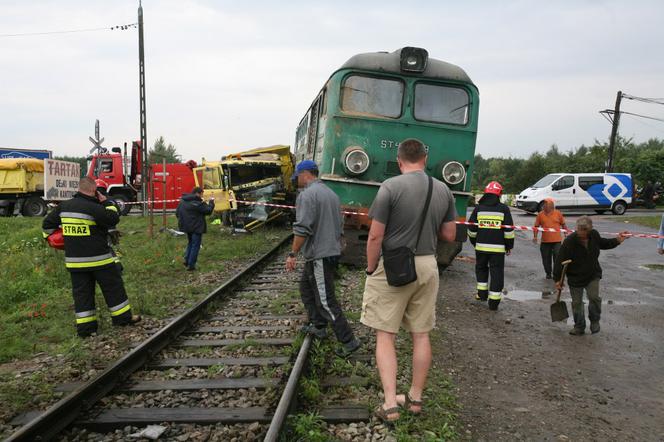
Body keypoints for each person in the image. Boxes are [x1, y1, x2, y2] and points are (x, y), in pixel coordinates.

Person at [361, 139, 457, 423]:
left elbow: (375, 235)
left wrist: (370, 268)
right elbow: (450, 235)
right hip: (428, 265)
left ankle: (390, 404)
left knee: (385, 334)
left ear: (400, 160)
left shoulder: (390, 187)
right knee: (421, 334)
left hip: (394, 265)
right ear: (425, 159)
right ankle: (415, 398)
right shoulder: (443, 189)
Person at [42, 177, 140, 338]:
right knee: (113, 289)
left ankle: (86, 330)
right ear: (94, 191)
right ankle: (122, 319)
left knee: (82, 296)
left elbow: (47, 227)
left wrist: (58, 242)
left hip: (75, 263)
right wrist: (107, 201)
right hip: (100, 260)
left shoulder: (64, 207)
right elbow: (113, 218)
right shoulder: (94, 208)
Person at [285, 160, 360, 357]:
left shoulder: (307, 195)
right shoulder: (332, 194)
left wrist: (292, 254)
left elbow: (302, 228)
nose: (297, 182)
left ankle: (348, 340)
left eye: (297, 177)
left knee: (326, 300)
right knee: (306, 288)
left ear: (304, 174)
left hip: (320, 253)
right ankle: (319, 325)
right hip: (329, 251)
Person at [554, 216, 628, 335]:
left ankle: (594, 320)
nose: (581, 232)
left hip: (592, 274)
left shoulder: (594, 235)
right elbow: (559, 260)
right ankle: (579, 326)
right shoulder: (570, 241)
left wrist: (618, 240)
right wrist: (557, 280)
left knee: (594, 297)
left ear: (590, 229)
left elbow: (604, 243)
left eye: (584, 230)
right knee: (577, 303)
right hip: (575, 277)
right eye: (579, 229)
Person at [467, 181, 515, 310]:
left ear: (486, 193)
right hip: (498, 250)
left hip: (481, 247)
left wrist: (474, 241)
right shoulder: (504, 209)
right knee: (497, 273)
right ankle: (494, 303)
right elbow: (509, 231)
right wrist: (508, 246)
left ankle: (482, 295)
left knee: (481, 269)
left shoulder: (479, 208)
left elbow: (471, 228)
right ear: (499, 194)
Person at [176, 186, 215, 271]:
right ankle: (191, 265)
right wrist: (211, 202)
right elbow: (208, 210)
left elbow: (177, 213)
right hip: (196, 227)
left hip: (186, 227)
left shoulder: (183, 201)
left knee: (190, 243)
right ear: (198, 193)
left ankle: (186, 260)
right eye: (202, 194)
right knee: (195, 245)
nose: (202, 196)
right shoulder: (197, 203)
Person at [533, 198, 567, 279]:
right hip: (545, 241)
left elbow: (563, 224)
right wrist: (535, 236)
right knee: (545, 258)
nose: (544, 206)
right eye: (543, 205)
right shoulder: (540, 214)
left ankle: (557, 273)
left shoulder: (558, 213)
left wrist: (566, 234)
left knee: (557, 256)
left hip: (557, 241)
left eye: (545, 205)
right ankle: (548, 273)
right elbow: (536, 226)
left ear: (551, 206)